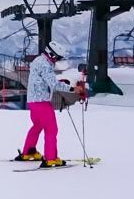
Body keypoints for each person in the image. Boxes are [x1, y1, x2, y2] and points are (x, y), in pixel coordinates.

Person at [15, 40, 85, 168]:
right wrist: (72, 89)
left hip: (33, 101)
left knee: (37, 126)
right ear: (52, 55)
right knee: (52, 129)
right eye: (57, 57)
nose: (57, 60)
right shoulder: (45, 65)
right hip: (41, 101)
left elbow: (47, 80)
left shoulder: (39, 61)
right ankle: (51, 158)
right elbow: (54, 84)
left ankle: (28, 152)